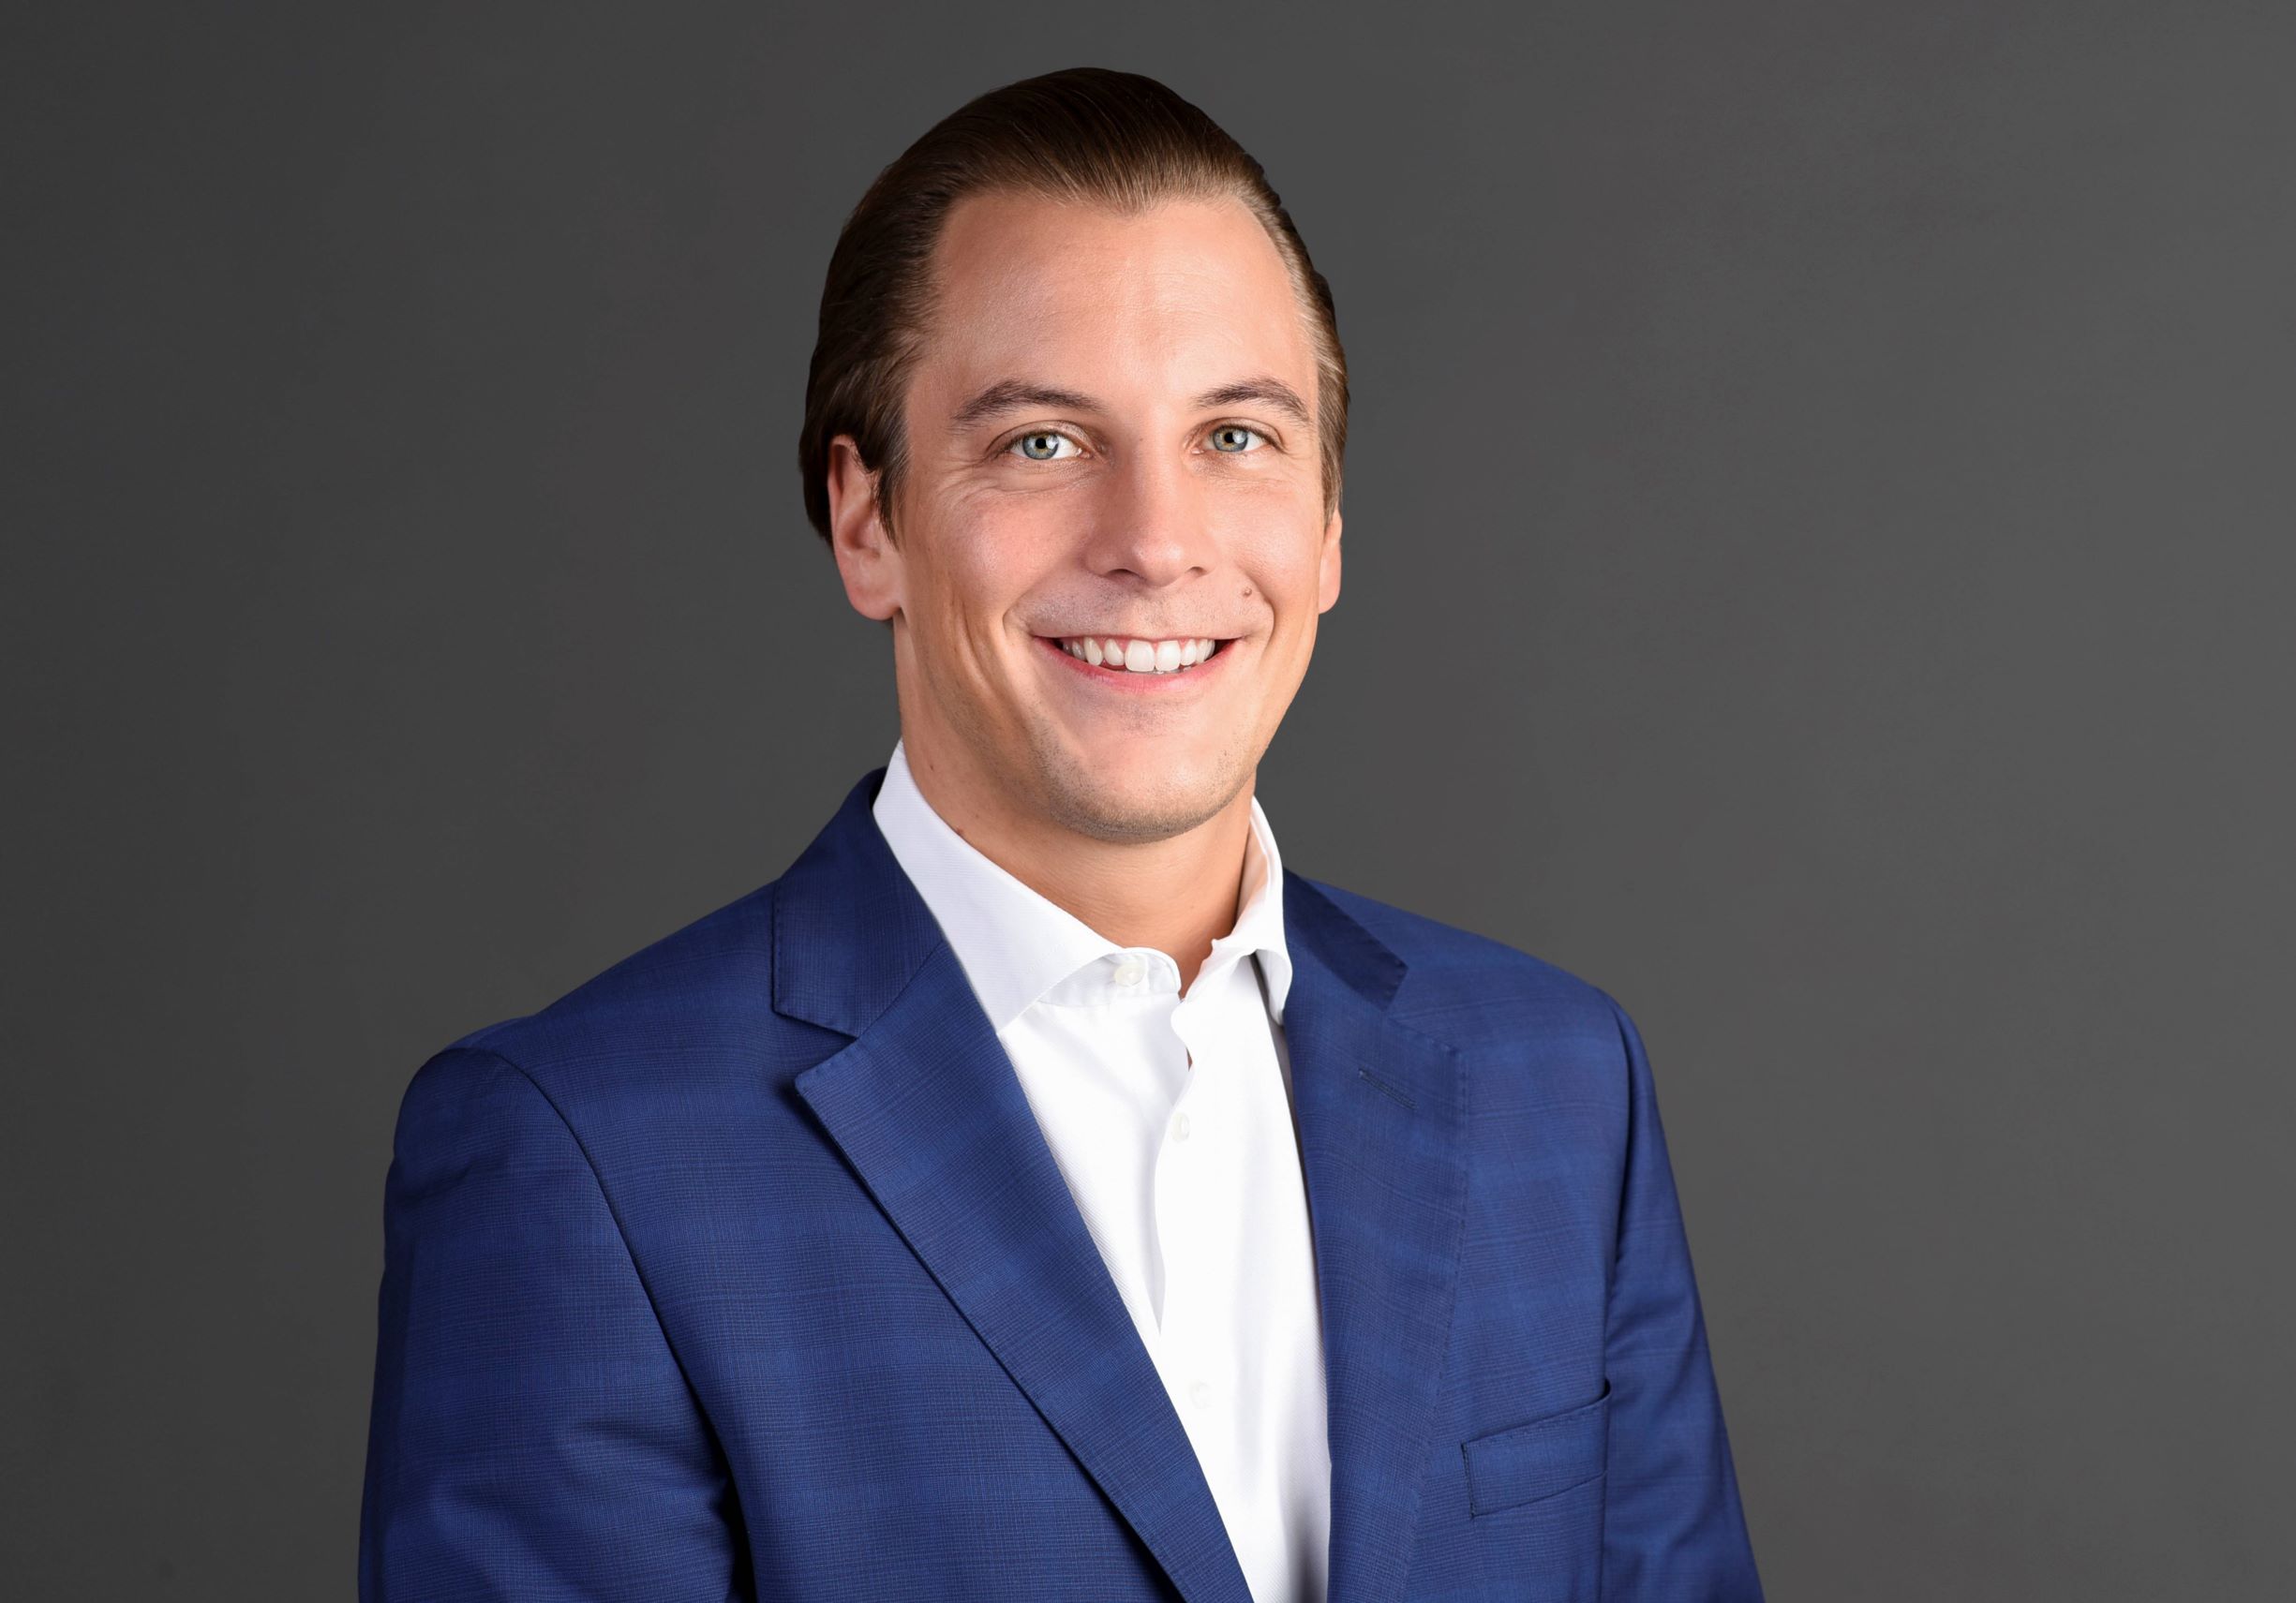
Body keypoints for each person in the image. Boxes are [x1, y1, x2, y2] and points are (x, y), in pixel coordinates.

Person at [358, 66, 1764, 1603]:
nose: (1155, 542)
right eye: (1040, 442)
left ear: (1327, 525)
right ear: (868, 523)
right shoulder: (582, 1157)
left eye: (1236, 435)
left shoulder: (1556, 1084)